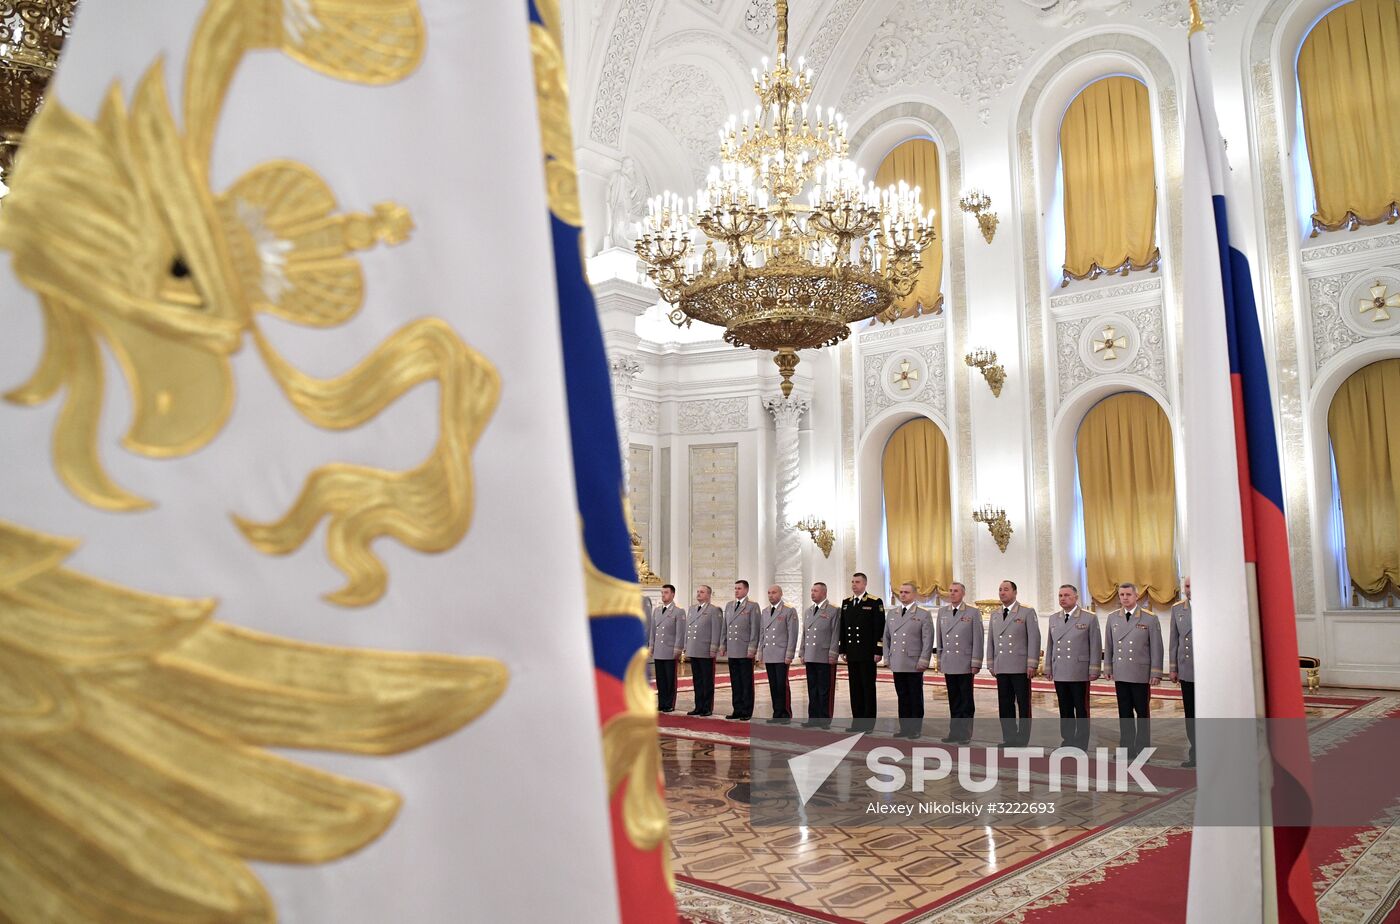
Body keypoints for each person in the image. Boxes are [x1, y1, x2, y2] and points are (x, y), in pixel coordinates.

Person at [1104, 582, 1163, 759]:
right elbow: (1109, 645)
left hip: (1140, 673)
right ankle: (1127, 747)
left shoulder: (1149, 618)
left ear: (1136, 596)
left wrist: (1156, 672)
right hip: (1121, 672)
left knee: (1142, 712)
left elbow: (1156, 648)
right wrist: (1108, 667)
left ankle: (1143, 749)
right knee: (1124, 712)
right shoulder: (1113, 618)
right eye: (1121, 595)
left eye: (1128, 594)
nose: (1124, 598)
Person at [1045, 584, 1101, 750]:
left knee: (1081, 708)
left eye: (1067, 595)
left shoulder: (1088, 618)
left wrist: (1094, 669)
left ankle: (1081, 741)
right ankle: (1067, 739)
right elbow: (1051, 645)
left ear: (1076, 598)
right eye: (1060, 595)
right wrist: (1048, 667)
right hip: (1060, 669)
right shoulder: (1054, 618)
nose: (1063, 598)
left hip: (1079, 670)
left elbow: (1095, 645)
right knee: (1065, 707)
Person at [986, 580, 1040, 747]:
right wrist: (990, 663)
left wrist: (1032, 663)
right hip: (1002, 666)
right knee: (1005, 703)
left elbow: (1034, 639)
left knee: (1023, 704)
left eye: (1006, 590)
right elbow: (991, 641)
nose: (1002, 593)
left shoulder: (1026, 612)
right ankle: (1009, 737)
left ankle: (1022, 738)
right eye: (1000, 590)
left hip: (1020, 666)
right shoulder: (995, 615)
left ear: (1015, 592)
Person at [882, 582, 933, 738]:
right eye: (901, 592)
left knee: (915, 697)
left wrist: (924, 660)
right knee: (902, 696)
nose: (903, 595)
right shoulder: (892, 613)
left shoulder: (923, 614)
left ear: (914, 595)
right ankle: (904, 728)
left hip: (913, 662)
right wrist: (887, 657)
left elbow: (927, 640)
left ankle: (915, 728)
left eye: (906, 592)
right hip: (897, 660)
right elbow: (886, 638)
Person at [936, 581, 982, 744]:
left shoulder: (972, 612)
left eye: (956, 591)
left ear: (963, 594)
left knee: (966, 700)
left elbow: (978, 639)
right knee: (953, 699)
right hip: (949, 662)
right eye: (950, 591)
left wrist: (976, 662)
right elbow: (940, 638)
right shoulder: (943, 612)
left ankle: (965, 733)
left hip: (965, 662)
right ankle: (954, 732)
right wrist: (939, 659)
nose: (952, 594)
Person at [839, 572, 885, 732]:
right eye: (852, 582)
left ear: (864, 584)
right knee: (855, 688)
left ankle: (868, 723)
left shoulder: (874, 602)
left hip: (867, 653)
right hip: (852, 652)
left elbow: (879, 627)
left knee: (867, 687)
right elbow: (843, 628)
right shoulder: (846, 603)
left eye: (857, 582)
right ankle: (857, 721)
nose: (854, 585)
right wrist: (843, 648)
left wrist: (878, 649)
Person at [800, 582, 841, 728]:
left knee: (825, 689)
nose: (812, 593)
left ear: (824, 593)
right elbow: (805, 633)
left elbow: (836, 633)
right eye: (811, 591)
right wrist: (802, 651)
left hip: (824, 655)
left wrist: (833, 653)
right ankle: (813, 718)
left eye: (815, 591)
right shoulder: (809, 611)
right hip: (810, 654)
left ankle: (825, 718)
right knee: (812, 688)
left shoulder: (833, 610)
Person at [759, 585, 799, 723]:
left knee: (782, 684)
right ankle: (777, 712)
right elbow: (762, 633)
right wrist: (761, 653)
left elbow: (792, 634)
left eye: (774, 593)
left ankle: (786, 713)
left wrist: (790, 654)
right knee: (773, 685)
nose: (771, 595)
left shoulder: (788, 610)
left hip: (781, 653)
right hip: (769, 652)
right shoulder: (765, 611)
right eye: (769, 593)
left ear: (781, 594)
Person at [723, 580, 761, 720]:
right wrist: (723, 644)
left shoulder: (752, 606)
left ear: (746, 590)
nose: (736, 591)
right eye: (735, 588)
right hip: (733, 649)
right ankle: (737, 709)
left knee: (746, 681)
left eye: (739, 588)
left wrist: (752, 648)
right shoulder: (729, 605)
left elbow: (754, 629)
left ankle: (746, 710)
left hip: (745, 649)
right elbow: (725, 627)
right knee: (735, 681)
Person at [684, 585, 722, 716]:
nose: (699, 594)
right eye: (698, 591)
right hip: (694, 648)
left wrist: (714, 648)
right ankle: (698, 706)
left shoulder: (714, 610)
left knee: (707, 680)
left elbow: (716, 631)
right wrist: (686, 645)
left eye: (702, 592)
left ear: (709, 595)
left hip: (706, 649)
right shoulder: (692, 609)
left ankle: (707, 707)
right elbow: (687, 629)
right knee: (697, 680)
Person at [1170, 577, 1195, 767]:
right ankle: (1195, 752)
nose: (1190, 589)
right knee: (1191, 713)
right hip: (1187, 669)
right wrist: (1173, 668)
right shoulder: (1177, 609)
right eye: (1187, 586)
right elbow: (1174, 641)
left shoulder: (1213, 607)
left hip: (1209, 671)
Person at [649, 584, 683, 712]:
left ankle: (669, 703)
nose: (663, 595)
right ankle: (661, 702)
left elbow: (680, 632)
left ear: (672, 594)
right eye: (662, 593)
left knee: (670, 679)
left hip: (670, 650)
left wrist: (678, 649)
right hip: (658, 650)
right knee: (660, 679)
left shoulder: (678, 611)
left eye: (666, 593)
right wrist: (651, 646)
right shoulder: (657, 611)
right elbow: (653, 631)